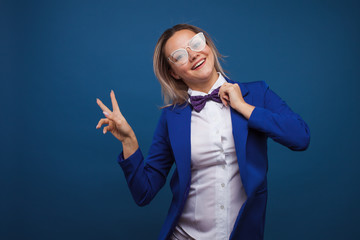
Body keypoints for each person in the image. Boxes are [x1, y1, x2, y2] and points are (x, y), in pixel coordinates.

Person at [96, 24, 310, 240]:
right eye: (179, 55)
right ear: (174, 73)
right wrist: (128, 141)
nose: (193, 55)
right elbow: (144, 192)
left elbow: (300, 137)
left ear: (207, 45)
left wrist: (243, 107)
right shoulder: (172, 117)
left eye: (196, 43)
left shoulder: (256, 93)